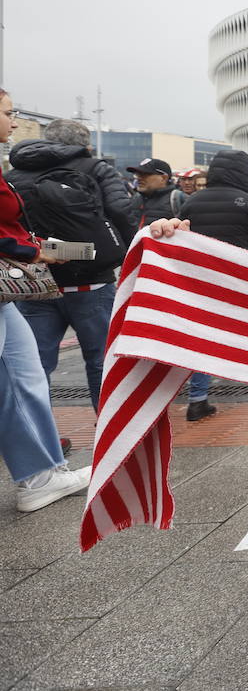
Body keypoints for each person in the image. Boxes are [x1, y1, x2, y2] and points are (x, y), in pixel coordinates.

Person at [0, 90, 92, 511]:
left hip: (17, 286)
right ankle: (40, 475)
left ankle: (41, 475)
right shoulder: (86, 171)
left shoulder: (12, 172)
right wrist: (30, 251)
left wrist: (40, 248)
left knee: (26, 375)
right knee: (22, 377)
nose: (14, 122)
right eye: (7, 113)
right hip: (24, 276)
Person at [6, 119, 135, 410]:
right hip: (91, 280)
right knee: (102, 361)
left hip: (35, 281)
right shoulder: (96, 168)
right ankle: (107, 431)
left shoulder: (14, 175)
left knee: (34, 365)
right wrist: (127, 253)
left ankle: (40, 439)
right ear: (82, 144)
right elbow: (120, 210)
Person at [177, 150, 248, 419]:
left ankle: (198, 399)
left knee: (203, 337)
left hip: (202, 280)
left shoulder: (192, 202)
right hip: (240, 280)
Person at [127, 157, 176, 228]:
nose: (138, 178)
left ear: (163, 178)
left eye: (145, 174)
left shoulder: (176, 199)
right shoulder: (136, 198)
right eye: (137, 174)